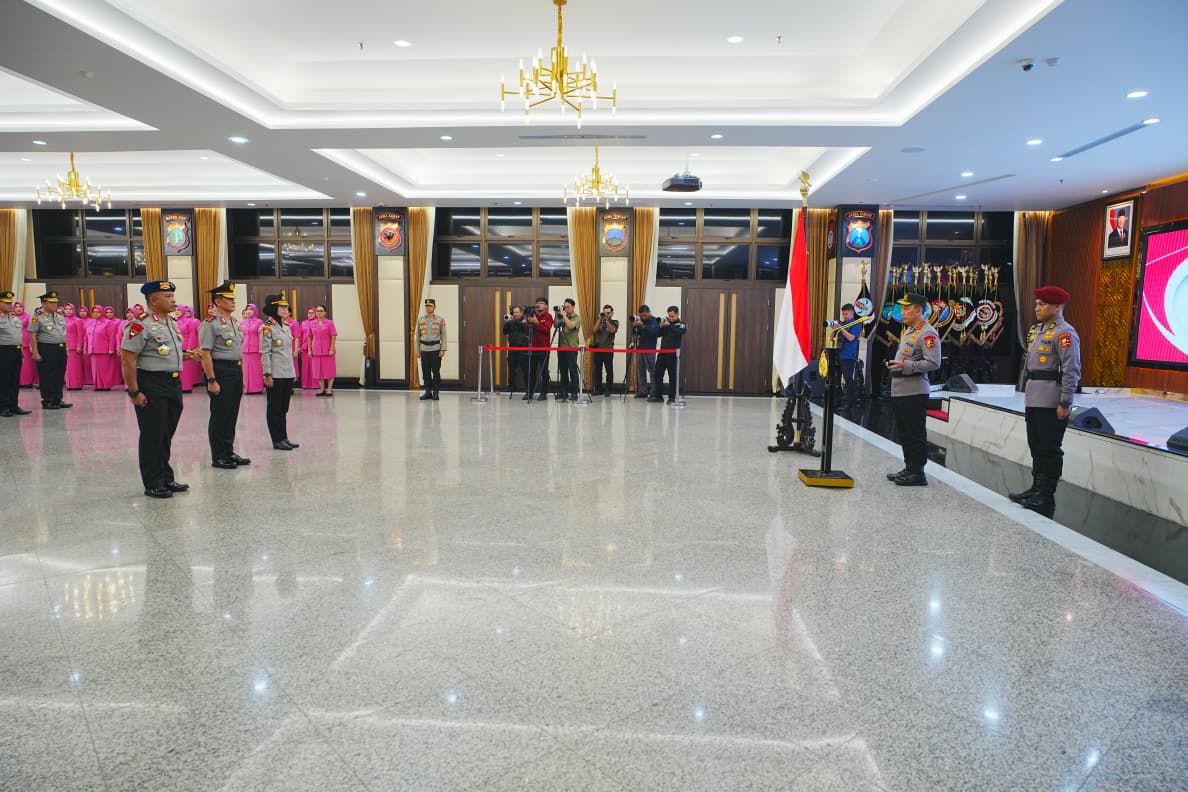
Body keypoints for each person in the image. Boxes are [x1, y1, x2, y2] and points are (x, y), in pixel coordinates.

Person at [1009, 286, 1082, 518]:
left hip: (1052, 399)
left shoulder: (1065, 333)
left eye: (1042, 304)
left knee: (1050, 449)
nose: (1037, 308)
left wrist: (1065, 401)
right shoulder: (1037, 330)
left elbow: (1071, 370)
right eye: (1037, 304)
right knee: (1036, 446)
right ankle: (1036, 488)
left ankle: (1046, 495)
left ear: (1057, 307)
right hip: (1034, 396)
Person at [121, 280, 198, 498]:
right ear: (153, 301)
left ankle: (165, 477)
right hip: (151, 383)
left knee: (165, 433)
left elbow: (167, 352)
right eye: (167, 297)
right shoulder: (139, 325)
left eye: (172, 296)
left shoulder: (170, 323)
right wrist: (134, 392)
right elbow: (127, 359)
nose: (173, 300)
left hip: (173, 383)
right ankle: (153, 482)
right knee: (152, 434)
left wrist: (189, 355)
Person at [885, 293, 941, 486]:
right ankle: (909, 467)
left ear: (919, 310)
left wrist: (906, 366)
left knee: (915, 433)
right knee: (905, 433)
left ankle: (918, 472)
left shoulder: (928, 333)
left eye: (907, 308)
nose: (902, 312)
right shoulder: (910, 330)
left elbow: (934, 363)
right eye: (902, 308)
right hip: (901, 389)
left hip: (914, 391)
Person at [199, 280, 250, 470]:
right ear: (218, 301)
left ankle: (229, 451)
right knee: (220, 415)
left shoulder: (233, 322)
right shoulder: (210, 324)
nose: (233, 301)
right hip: (220, 371)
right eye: (229, 299)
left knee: (231, 414)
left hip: (235, 370)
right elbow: (205, 353)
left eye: (233, 298)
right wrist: (211, 379)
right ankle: (218, 455)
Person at [260, 293, 300, 451]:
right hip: (275, 374)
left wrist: (292, 373)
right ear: (273, 309)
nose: (285, 309)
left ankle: (284, 437)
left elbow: (286, 353)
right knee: (274, 408)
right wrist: (267, 374)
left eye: (286, 307)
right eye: (281, 307)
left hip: (287, 373)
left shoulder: (286, 327)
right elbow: (265, 353)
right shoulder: (267, 328)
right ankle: (277, 439)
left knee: (283, 408)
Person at [27, 290, 71, 410]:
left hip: (60, 348)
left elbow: (63, 333)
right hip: (46, 348)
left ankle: (58, 399)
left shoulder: (59, 316)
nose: (54, 304)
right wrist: (35, 352)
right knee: (47, 375)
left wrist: (66, 348)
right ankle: (48, 400)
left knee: (59, 374)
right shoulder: (37, 317)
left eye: (55, 302)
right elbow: (32, 334)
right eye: (51, 302)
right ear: (43, 303)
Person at [0, 291, 31, 417]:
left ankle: (13, 405)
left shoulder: (14, 318)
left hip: (16, 350)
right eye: (6, 303)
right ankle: (3, 407)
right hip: (3, 351)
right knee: (4, 379)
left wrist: (21, 351)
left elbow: (18, 335)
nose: (10, 305)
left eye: (10, 303)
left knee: (14, 379)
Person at [650, 306, 687, 403]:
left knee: (672, 377)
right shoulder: (666, 324)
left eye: (672, 316)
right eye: (669, 316)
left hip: (673, 355)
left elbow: (679, 333)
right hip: (662, 354)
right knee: (658, 375)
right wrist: (660, 326)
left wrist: (669, 325)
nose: (670, 318)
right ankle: (658, 396)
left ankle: (672, 398)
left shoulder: (682, 324)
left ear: (677, 314)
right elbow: (657, 334)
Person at [415, 298, 447, 400]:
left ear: (434, 307)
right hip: (424, 350)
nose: (428, 308)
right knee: (425, 372)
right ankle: (428, 392)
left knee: (436, 372)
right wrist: (417, 350)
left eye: (430, 306)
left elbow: (443, 335)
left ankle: (436, 392)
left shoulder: (440, 320)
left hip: (435, 349)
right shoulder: (421, 320)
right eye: (427, 306)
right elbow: (418, 336)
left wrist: (443, 349)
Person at [524, 298, 554, 402]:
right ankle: (529, 392)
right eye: (538, 303)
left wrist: (536, 322)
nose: (539, 305)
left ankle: (543, 392)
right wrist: (527, 321)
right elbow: (526, 330)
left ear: (546, 306)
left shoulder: (548, 316)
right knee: (531, 370)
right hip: (532, 347)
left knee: (544, 371)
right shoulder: (532, 315)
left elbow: (546, 330)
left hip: (544, 348)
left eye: (542, 303)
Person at [306, 305, 337, 397]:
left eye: (321, 311)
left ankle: (329, 389)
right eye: (317, 311)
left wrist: (332, 348)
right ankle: (322, 389)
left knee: (329, 370)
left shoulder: (329, 323)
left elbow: (333, 335)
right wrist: (309, 349)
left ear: (325, 312)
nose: (318, 312)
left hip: (328, 350)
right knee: (318, 371)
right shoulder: (312, 323)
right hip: (316, 350)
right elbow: (309, 337)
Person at [589, 304, 619, 396]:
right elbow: (593, 330)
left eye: (608, 313)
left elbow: (612, 330)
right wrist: (599, 320)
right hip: (598, 349)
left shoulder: (615, 322)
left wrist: (606, 320)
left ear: (612, 313)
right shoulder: (599, 321)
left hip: (608, 349)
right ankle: (598, 389)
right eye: (604, 313)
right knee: (598, 369)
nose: (606, 314)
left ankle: (608, 389)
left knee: (609, 369)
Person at [556, 298, 582, 401]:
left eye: (568, 307)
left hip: (571, 348)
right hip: (561, 347)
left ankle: (574, 393)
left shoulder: (577, 317)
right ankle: (564, 392)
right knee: (563, 371)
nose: (566, 309)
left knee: (572, 371)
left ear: (573, 307)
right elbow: (555, 325)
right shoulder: (563, 316)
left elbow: (571, 326)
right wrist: (557, 315)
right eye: (564, 307)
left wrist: (564, 316)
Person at [502, 305, 531, 396]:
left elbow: (524, 327)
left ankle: (528, 388)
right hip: (512, 347)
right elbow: (504, 332)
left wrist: (514, 321)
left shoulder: (525, 320)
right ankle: (511, 386)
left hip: (523, 348)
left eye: (517, 312)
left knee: (525, 369)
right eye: (514, 312)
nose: (514, 314)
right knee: (511, 368)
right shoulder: (510, 322)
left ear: (521, 313)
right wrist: (507, 323)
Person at [632, 305, 660, 398]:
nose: (643, 317)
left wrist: (643, 326)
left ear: (649, 312)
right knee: (641, 371)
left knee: (652, 371)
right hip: (640, 348)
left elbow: (654, 333)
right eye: (641, 316)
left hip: (650, 349)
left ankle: (653, 392)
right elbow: (635, 333)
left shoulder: (655, 320)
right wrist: (635, 326)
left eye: (645, 315)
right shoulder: (640, 320)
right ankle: (643, 391)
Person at [837, 303, 861, 410]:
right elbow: (832, 338)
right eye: (843, 314)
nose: (844, 316)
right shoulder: (843, 323)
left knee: (848, 379)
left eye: (846, 314)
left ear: (852, 313)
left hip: (848, 355)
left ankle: (850, 402)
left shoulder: (856, 324)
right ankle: (837, 401)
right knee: (836, 379)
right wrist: (835, 329)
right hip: (838, 353)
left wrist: (841, 329)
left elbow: (851, 338)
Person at [240, 304, 265, 395]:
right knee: (245, 370)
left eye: (251, 309)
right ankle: (247, 388)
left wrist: (261, 348)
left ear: (255, 311)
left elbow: (262, 336)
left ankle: (257, 388)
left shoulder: (259, 322)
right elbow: (240, 336)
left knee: (256, 370)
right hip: (245, 349)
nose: (249, 311)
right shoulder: (242, 323)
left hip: (256, 349)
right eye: (247, 309)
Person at [178, 306, 203, 393]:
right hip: (179, 344)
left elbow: (194, 334)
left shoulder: (193, 321)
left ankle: (189, 385)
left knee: (189, 367)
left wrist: (191, 347)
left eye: (188, 311)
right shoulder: (175, 321)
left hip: (189, 344)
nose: (187, 313)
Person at [14, 301, 38, 389]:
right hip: (15, 343)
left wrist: (31, 344)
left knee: (27, 365)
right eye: (16, 307)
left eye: (20, 306)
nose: (18, 308)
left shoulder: (29, 316)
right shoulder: (12, 317)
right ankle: (18, 382)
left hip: (26, 344)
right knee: (17, 364)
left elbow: (33, 330)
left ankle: (27, 382)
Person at [64, 304, 87, 391]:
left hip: (74, 348)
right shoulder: (62, 320)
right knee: (67, 367)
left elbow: (80, 334)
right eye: (66, 309)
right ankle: (69, 385)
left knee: (75, 367)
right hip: (64, 346)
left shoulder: (77, 320)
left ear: (73, 310)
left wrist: (79, 346)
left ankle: (76, 385)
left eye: (70, 309)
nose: (68, 311)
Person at [299, 307, 317, 390]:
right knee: (305, 367)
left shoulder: (317, 322)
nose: (310, 314)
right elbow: (300, 335)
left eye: (312, 313)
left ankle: (315, 385)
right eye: (309, 313)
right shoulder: (303, 323)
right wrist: (299, 346)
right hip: (305, 348)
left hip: (315, 348)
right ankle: (305, 384)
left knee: (315, 367)